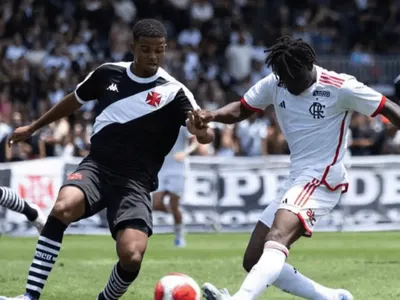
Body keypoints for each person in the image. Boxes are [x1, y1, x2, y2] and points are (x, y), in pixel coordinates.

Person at [0, 19, 213, 300]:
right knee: (63, 207)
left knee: (132, 256)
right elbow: (73, 100)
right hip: (97, 167)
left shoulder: (175, 92)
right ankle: (30, 296)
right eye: (146, 49)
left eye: (159, 50)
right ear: (133, 47)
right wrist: (33, 127)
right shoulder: (107, 74)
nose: (153, 56)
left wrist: (200, 130)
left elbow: (204, 133)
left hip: (136, 182)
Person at [191, 36, 400, 300]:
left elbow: (389, 108)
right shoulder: (277, 82)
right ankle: (334, 298)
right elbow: (241, 110)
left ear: (310, 65)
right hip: (297, 178)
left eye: (293, 78)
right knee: (254, 259)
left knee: (276, 237)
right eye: (283, 78)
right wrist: (212, 114)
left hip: (323, 177)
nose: (287, 85)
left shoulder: (341, 87)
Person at [152, 126, 198, 247]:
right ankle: (179, 218)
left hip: (178, 168)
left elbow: (195, 140)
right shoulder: (156, 121)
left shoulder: (182, 125)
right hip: (161, 168)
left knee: (174, 204)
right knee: (156, 203)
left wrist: (185, 152)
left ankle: (179, 235)